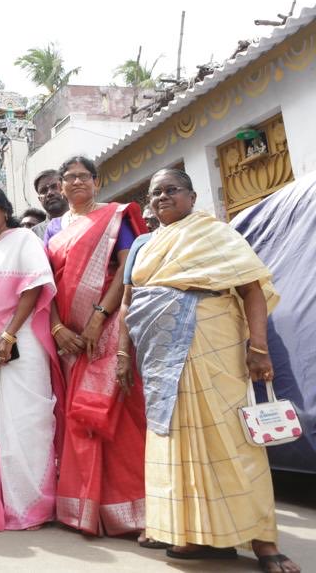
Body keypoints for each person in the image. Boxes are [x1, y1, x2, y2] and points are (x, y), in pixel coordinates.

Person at [121, 169, 299, 571]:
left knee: (233, 442)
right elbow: (131, 303)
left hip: (214, 345)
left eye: (171, 190)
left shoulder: (216, 234)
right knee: (178, 444)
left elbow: (252, 288)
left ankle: (264, 543)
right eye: (155, 192)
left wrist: (258, 348)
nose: (162, 196)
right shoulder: (148, 245)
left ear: (192, 196)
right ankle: (197, 537)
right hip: (161, 360)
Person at [44, 156, 147, 536]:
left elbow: (128, 268)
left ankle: (129, 513)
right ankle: (81, 510)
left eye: (81, 177)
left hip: (106, 333)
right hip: (68, 340)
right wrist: (56, 327)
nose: (74, 183)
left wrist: (99, 317)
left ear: (96, 181)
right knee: (77, 418)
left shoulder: (115, 218)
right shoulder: (53, 228)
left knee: (113, 417)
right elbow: (45, 284)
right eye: (67, 178)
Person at [0, 185, 64, 530]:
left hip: (22, 347)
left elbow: (34, 286)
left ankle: (29, 505)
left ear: (5, 208)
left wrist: (9, 333)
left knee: (24, 425)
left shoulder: (23, 239)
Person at [31, 169, 68, 240]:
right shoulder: (34, 234)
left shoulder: (84, 220)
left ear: (64, 188)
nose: (50, 193)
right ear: (40, 199)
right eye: (44, 190)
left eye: (54, 187)